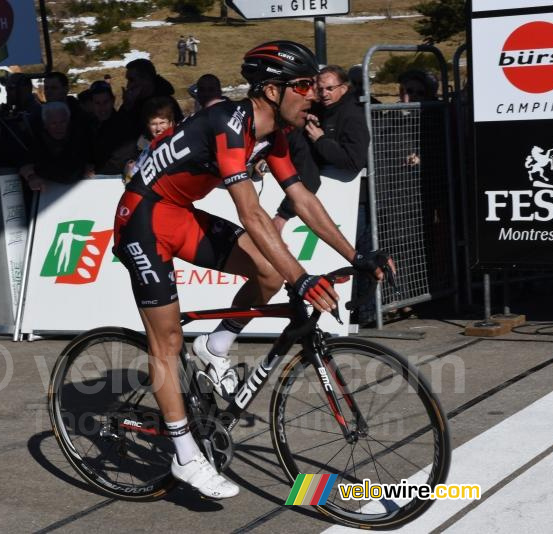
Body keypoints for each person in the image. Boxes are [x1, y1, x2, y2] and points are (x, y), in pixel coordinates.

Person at [111, 41, 385, 499]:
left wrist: (355, 257)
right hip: (141, 218)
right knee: (167, 340)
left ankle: (216, 345)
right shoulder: (227, 123)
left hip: (178, 213)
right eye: (303, 86)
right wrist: (303, 277)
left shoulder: (274, 134)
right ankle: (184, 456)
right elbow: (252, 214)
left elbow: (302, 199)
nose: (313, 95)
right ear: (272, 92)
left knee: (267, 274)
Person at [273, 65, 370, 231]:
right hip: (332, 197)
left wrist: (320, 140)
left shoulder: (353, 115)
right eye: (321, 89)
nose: (325, 94)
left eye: (330, 89)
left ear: (344, 88)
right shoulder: (322, 110)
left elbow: (354, 161)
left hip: (356, 200)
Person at [20, 102, 91, 191]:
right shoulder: (35, 142)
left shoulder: (81, 139)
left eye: (63, 122)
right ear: (45, 124)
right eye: (53, 123)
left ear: (68, 122)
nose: (59, 127)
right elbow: (24, 164)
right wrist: (31, 176)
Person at [119, 58, 182, 138]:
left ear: (146, 79)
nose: (128, 86)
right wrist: (126, 107)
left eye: (132, 80)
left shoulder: (167, 103)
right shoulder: (133, 102)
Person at [89, 80, 140, 176]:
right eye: (97, 103)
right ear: (92, 104)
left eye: (105, 102)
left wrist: (96, 170)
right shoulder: (89, 124)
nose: (102, 108)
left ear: (113, 101)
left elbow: (121, 162)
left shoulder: (124, 125)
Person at [123, 96, 178, 183]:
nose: (158, 128)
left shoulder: (177, 145)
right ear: (148, 125)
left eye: (162, 122)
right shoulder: (147, 147)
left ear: (170, 123)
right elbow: (131, 178)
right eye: (153, 124)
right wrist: (129, 171)